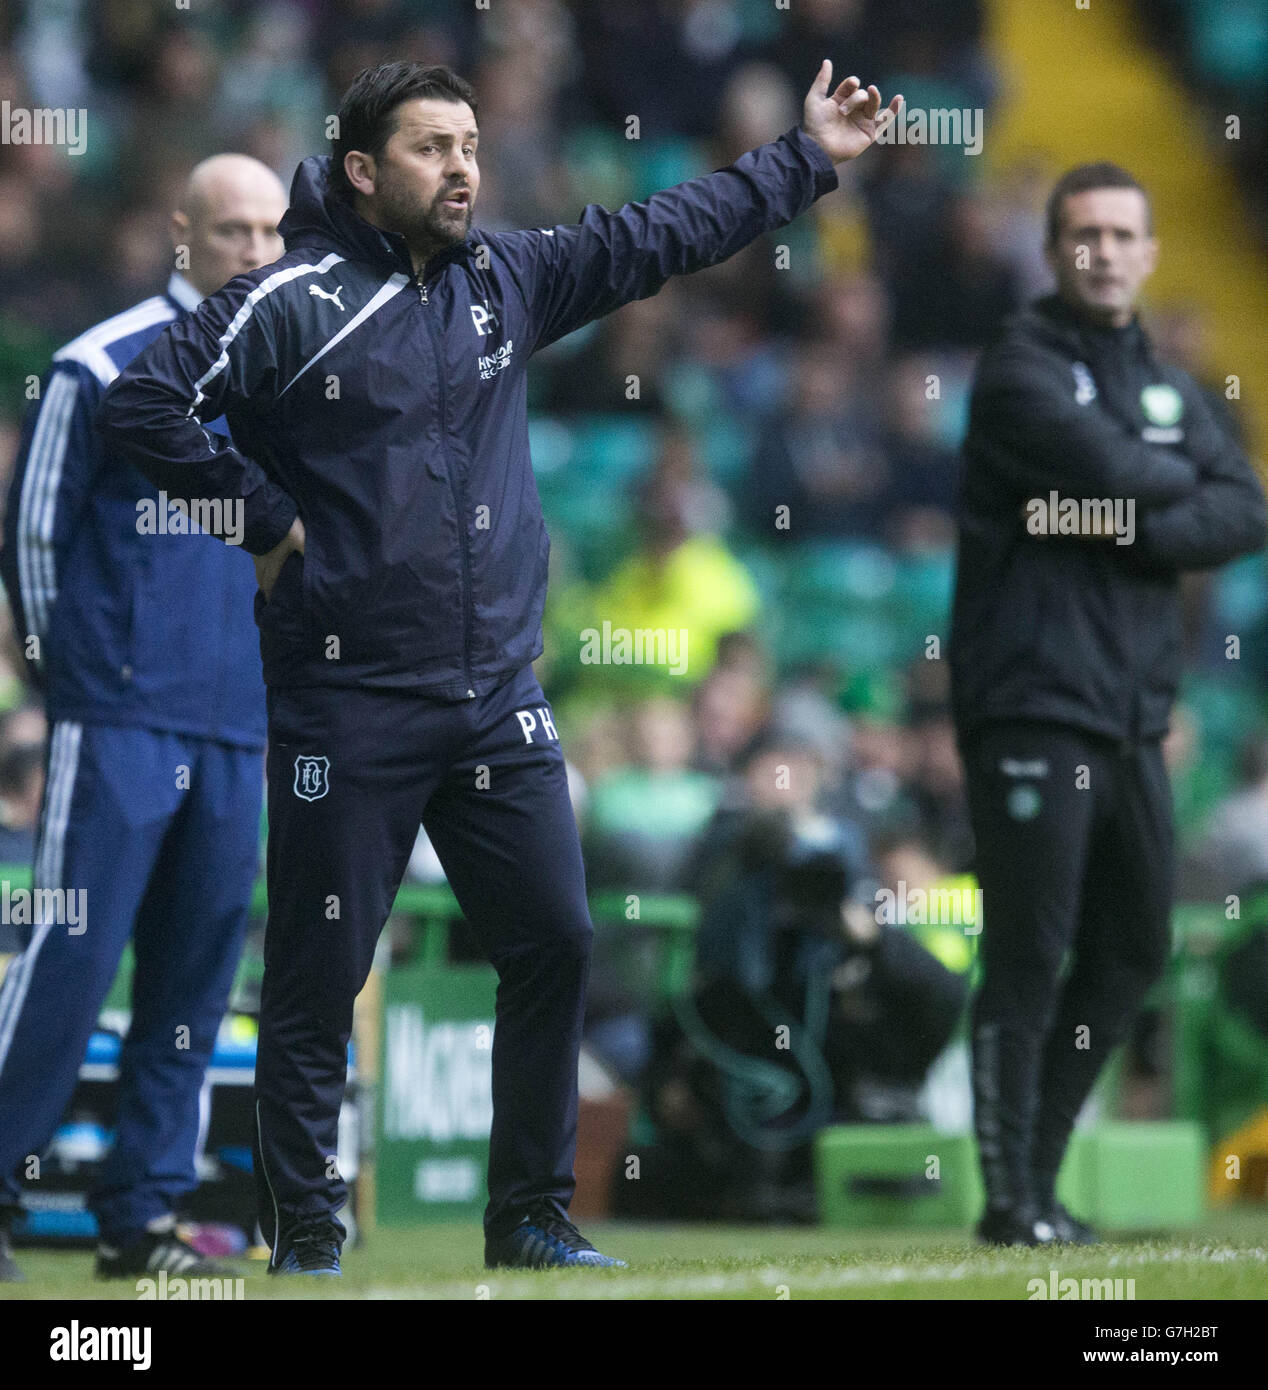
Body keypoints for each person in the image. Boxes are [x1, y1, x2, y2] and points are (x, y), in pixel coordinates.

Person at [99, 59, 902, 1274]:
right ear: (364, 173)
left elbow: (658, 235)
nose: (464, 165)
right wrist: (260, 520)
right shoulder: (289, 299)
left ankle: (528, 1212)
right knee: (320, 968)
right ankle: (307, 1229)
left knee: (555, 942)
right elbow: (144, 404)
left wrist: (807, 158)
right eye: (432, 147)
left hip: (494, 699)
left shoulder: (504, 278)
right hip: (345, 700)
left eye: (471, 143)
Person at [949, 162, 1267, 1247]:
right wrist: (1149, 492)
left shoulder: (1165, 378)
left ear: (1149, 252)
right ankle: (1006, 1199)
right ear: (1051, 250)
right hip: (1032, 697)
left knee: (1132, 947)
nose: (1101, 250)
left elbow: (1241, 507)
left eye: (1121, 233)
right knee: (1029, 949)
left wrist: (1117, 514)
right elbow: (1113, 468)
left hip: (1133, 711)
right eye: (1081, 232)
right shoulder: (1016, 365)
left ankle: (1036, 1181)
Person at [0, 156, 287, 1282]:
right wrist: (69, 681)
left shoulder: (291, 386)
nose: (255, 252)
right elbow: (33, 535)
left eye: (271, 231)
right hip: (118, 720)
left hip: (236, 727)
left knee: (192, 986)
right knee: (65, 963)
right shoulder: (100, 362)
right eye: (231, 231)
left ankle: (143, 1220)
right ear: (183, 236)